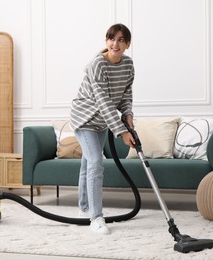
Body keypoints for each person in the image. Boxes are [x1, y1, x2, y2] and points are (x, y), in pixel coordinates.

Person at [70, 23, 135, 235]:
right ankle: (96, 217)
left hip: (101, 122)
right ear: (106, 41)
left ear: (127, 44)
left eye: (120, 40)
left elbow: (125, 95)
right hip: (84, 118)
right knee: (96, 162)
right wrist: (122, 132)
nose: (115, 44)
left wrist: (128, 115)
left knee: (88, 163)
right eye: (111, 39)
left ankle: (84, 207)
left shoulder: (128, 65)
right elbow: (104, 103)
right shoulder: (98, 64)